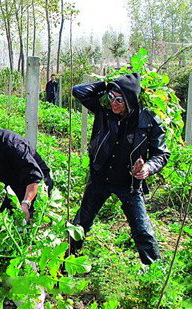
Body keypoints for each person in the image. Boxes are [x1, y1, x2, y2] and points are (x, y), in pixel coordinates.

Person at [70, 73, 170, 265]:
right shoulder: (105, 112)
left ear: (130, 100)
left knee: (142, 231)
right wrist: (107, 84)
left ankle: (154, 275)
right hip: (100, 178)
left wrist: (148, 168)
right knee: (81, 224)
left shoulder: (148, 121)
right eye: (111, 98)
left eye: (119, 100)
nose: (114, 104)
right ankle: (65, 263)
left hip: (129, 184)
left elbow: (162, 153)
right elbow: (78, 91)